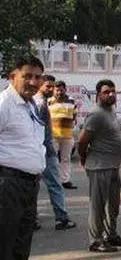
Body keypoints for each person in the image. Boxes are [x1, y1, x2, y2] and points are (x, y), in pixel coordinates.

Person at [77, 79, 121, 253]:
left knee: (113, 205)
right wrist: (83, 156)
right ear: (98, 95)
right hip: (99, 166)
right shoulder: (97, 114)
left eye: (113, 91)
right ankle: (95, 240)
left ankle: (111, 235)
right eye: (106, 92)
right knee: (98, 206)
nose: (111, 94)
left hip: (113, 166)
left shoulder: (110, 110)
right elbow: (82, 141)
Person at [0, 55, 47, 259]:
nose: (33, 82)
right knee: (5, 245)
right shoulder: (4, 104)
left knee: (22, 245)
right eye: (27, 76)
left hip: (29, 185)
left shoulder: (30, 104)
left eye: (37, 77)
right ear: (12, 76)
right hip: (8, 185)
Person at [33, 75, 77, 231]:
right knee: (54, 185)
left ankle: (33, 219)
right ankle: (61, 219)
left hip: (42, 148)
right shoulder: (39, 103)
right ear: (40, 85)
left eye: (53, 87)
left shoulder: (37, 102)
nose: (51, 89)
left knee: (35, 186)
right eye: (48, 86)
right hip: (43, 149)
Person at [48, 81, 78, 189]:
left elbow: (74, 116)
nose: (59, 92)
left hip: (67, 136)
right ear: (54, 90)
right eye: (57, 90)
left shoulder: (71, 101)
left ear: (65, 89)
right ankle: (54, 180)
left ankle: (65, 181)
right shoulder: (49, 101)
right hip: (53, 136)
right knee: (53, 159)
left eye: (61, 90)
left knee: (66, 159)